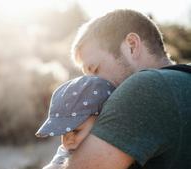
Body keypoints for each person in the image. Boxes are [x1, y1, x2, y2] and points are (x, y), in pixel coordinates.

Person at [64, 9, 191, 169]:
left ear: (131, 45)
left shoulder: (146, 87)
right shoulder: (183, 81)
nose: (91, 85)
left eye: (95, 69)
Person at [35, 75, 115, 169]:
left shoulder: (115, 151)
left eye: (76, 131)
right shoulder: (65, 153)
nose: (68, 140)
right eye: (64, 133)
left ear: (103, 121)